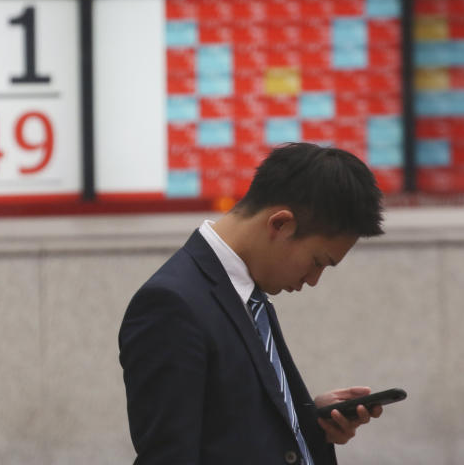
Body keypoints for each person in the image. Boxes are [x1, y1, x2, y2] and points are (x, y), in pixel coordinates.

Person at [119, 142, 386, 464]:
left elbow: (229, 426)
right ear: (280, 224)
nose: (313, 280)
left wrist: (304, 422)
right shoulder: (170, 305)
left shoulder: (247, 291)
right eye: (317, 261)